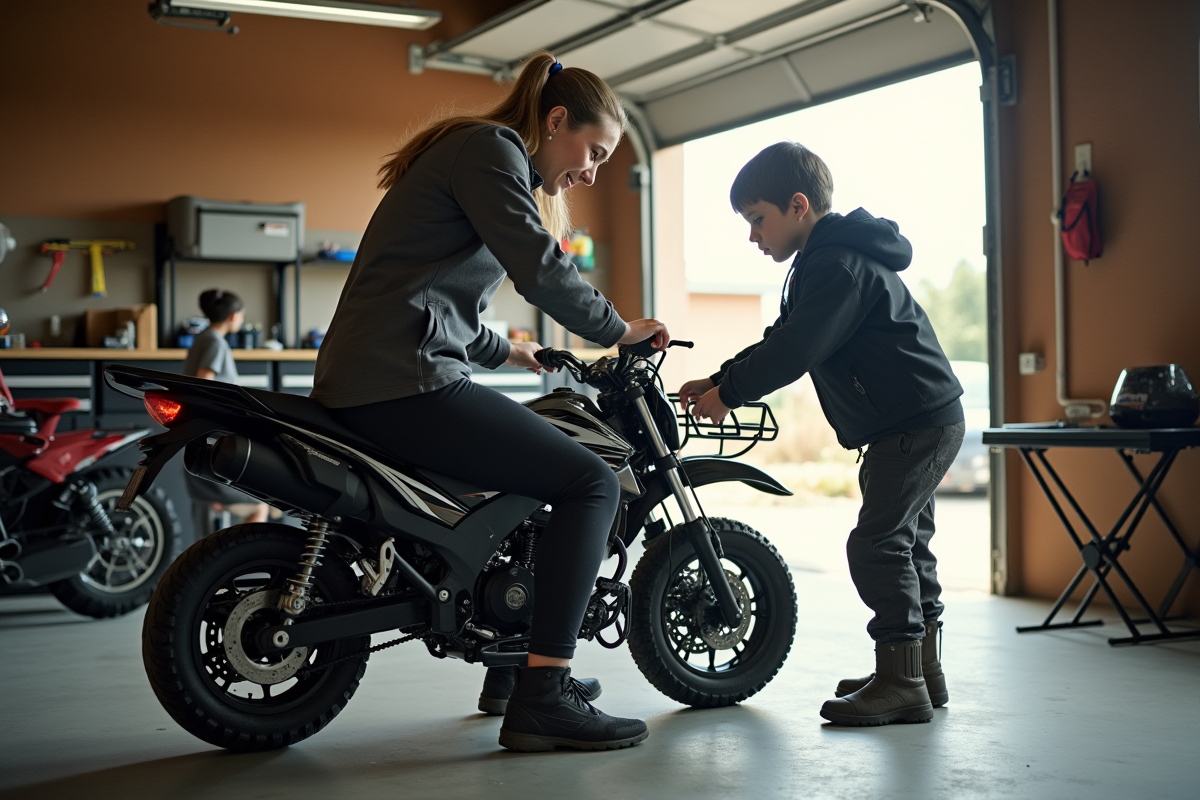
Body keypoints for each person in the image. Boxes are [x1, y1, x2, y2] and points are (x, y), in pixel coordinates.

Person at [310, 51, 667, 752]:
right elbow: (540, 265)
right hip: (400, 381)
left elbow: (430, 296)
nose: (592, 172)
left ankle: (512, 666)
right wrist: (619, 328)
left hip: (384, 373)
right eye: (592, 152)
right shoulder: (492, 150)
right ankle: (545, 694)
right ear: (555, 121)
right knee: (589, 481)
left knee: (528, 491)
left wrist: (511, 352)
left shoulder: (472, 154)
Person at [679, 142, 965, 727]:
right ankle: (918, 671)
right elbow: (784, 334)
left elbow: (797, 348)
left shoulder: (837, 266)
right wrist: (721, 377)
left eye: (758, 219)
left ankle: (901, 679)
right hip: (920, 418)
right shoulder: (827, 262)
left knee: (877, 544)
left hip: (913, 422)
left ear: (798, 205)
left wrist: (731, 394)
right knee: (907, 545)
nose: (753, 235)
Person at [183, 289, 269, 526]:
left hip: (197, 437)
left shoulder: (202, 338)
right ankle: (244, 560)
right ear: (233, 316)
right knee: (260, 504)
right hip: (211, 437)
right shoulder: (216, 342)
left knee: (207, 521)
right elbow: (204, 382)